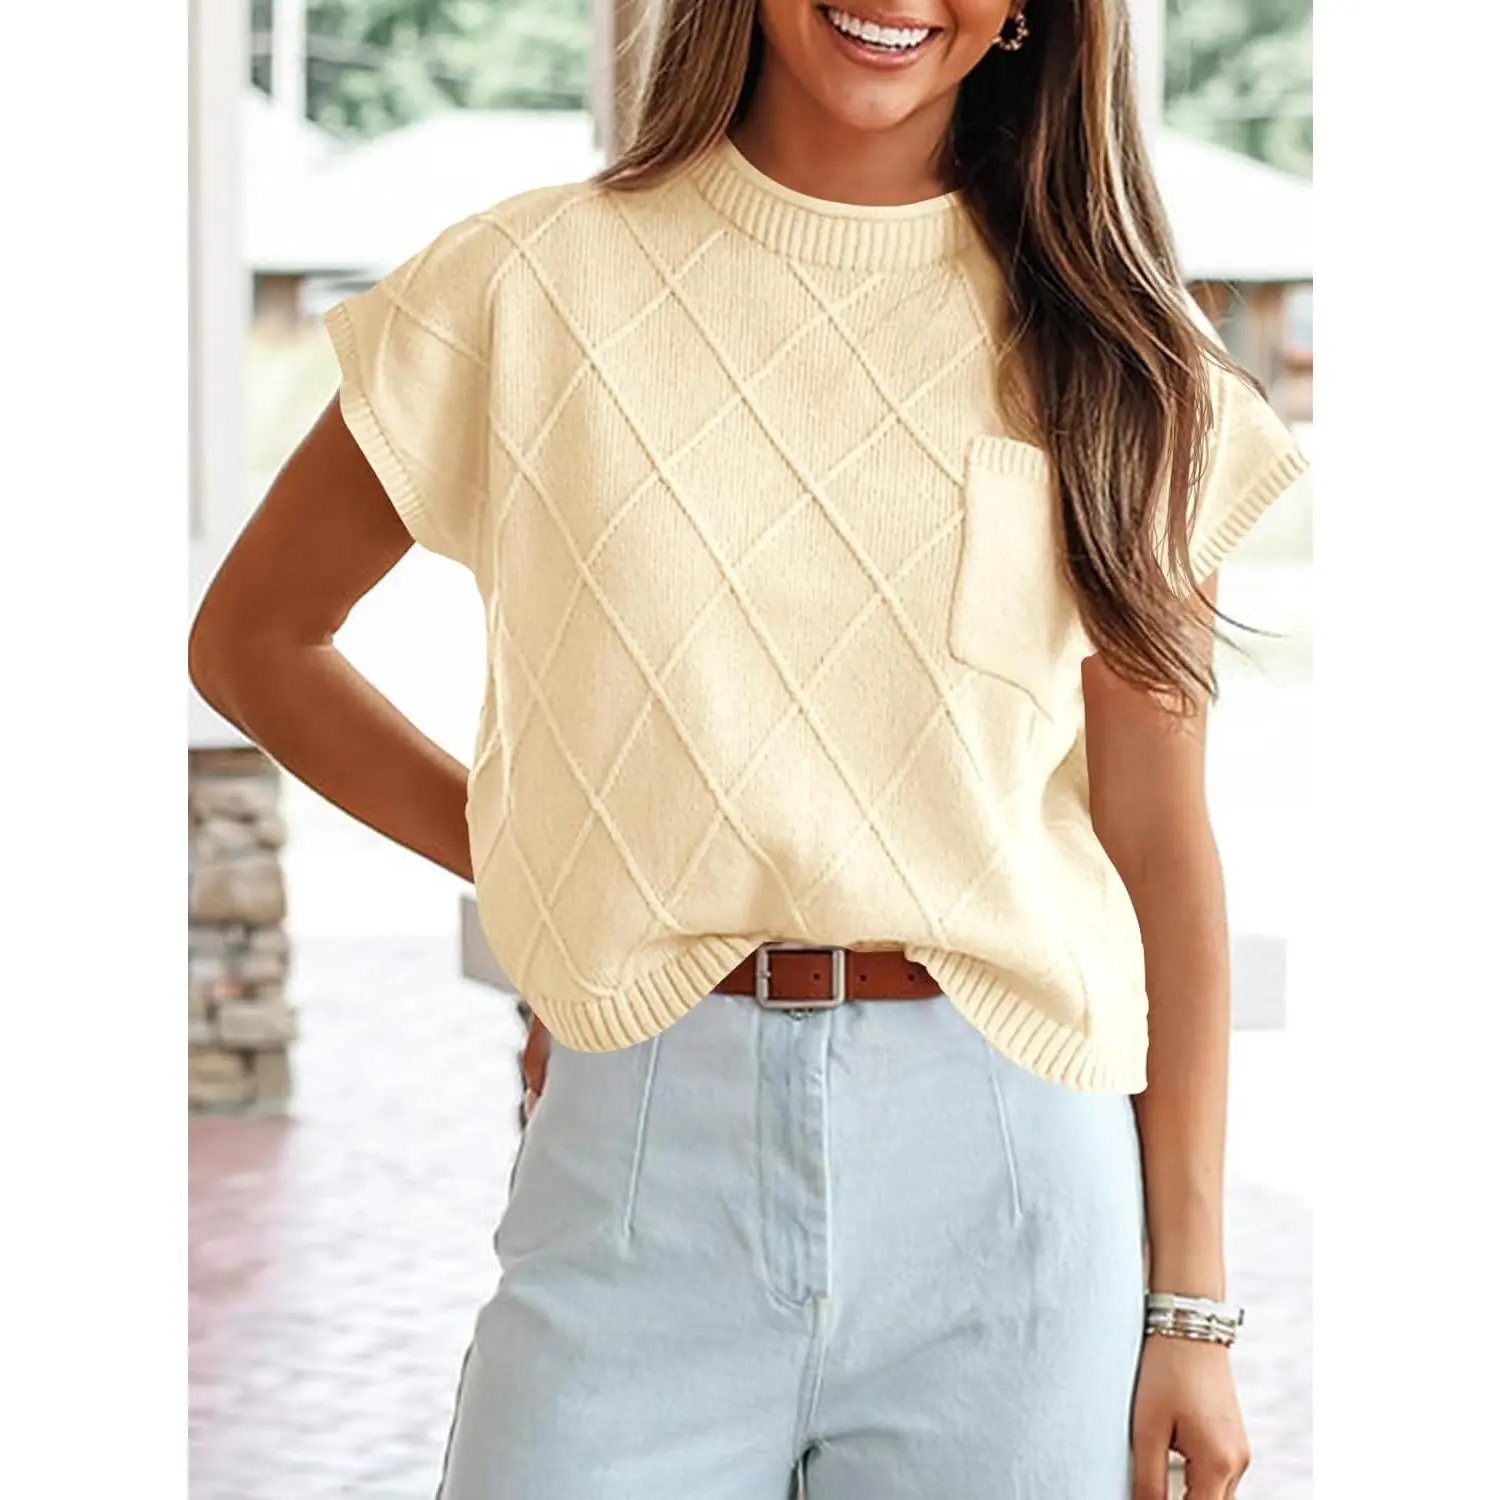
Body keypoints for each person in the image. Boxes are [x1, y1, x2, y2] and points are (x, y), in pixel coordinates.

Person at [189, 2, 1309, 1496]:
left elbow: (1160, 848)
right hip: (643, 1148)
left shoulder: (1126, 361)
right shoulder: (526, 286)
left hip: (1016, 1183)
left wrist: (1192, 1312)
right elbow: (256, 643)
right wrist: (557, 863)